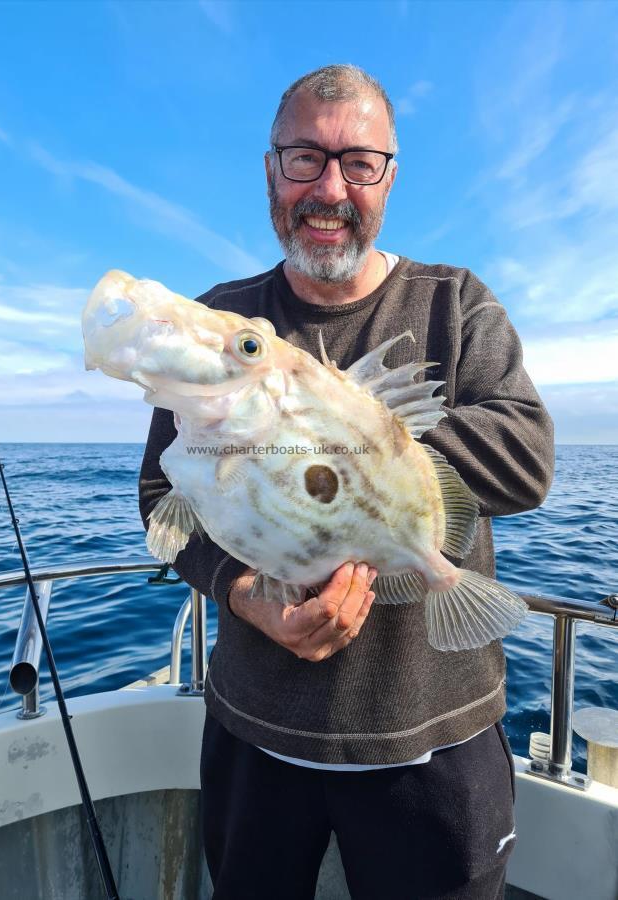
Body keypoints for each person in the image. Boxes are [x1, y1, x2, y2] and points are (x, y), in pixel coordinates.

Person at [139, 64, 554, 900]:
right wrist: (246, 591)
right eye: (303, 159)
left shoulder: (456, 304)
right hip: (256, 731)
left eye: (358, 163)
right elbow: (162, 499)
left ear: (388, 178)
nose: (329, 189)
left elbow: (527, 458)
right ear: (269, 171)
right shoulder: (224, 327)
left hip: (433, 740)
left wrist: (350, 428)